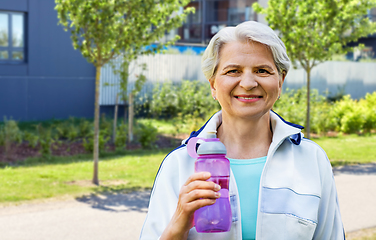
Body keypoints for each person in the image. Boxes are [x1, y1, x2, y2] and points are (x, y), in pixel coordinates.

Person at [139, 21, 344, 240]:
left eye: (262, 71)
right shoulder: (180, 164)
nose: (247, 83)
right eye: (233, 71)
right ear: (213, 85)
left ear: (280, 81)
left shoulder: (312, 160)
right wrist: (179, 222)